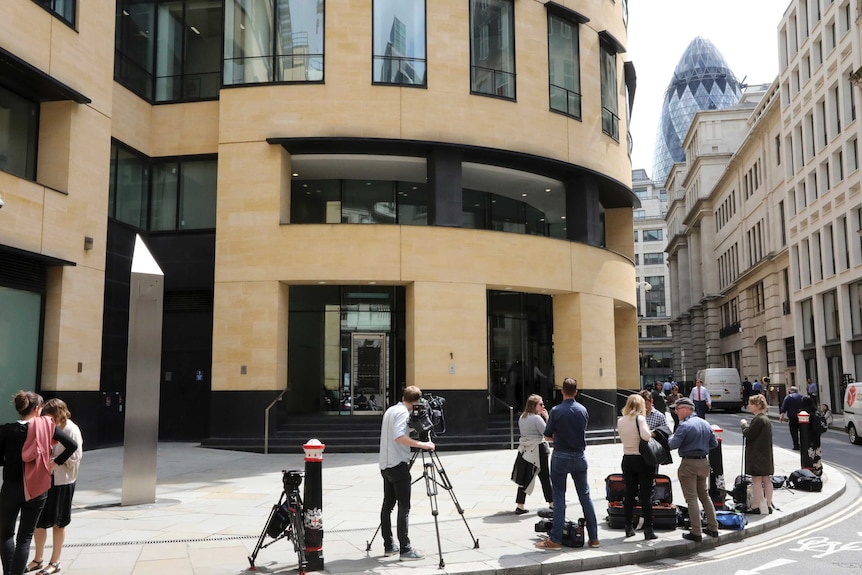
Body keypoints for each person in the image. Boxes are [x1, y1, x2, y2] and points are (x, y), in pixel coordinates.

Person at [0, 392, 77, 575]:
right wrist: (54, 463)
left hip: (11, 486)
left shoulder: (6, 430)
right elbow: (72, 445)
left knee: (5, 534)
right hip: (37, 488)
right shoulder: (47, 426)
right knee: (25, 537)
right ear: (36, 409)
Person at [533, 378, 599, 550]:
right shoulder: (583, 410)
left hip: (561, 455)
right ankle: (594, 538)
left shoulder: (556, 410)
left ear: (562, 391)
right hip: (579, 456)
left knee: (559, 497)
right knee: (585, 496)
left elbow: (547, 435)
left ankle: (555, 540)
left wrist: (558, 434)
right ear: (576, 392)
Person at [378, 386, 435, 560]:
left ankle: (389, 546)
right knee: (404, 507)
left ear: (403, 397)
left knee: (388, 506)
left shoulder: (391, 410)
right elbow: (398, 437)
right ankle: (405, 549)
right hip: (397, 464)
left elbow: (398, 432)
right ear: (416, 402)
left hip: (385, 465)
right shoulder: (403, 413)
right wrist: (423, 444)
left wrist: (414, 429)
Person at [28, 399, 83, 575]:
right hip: (45, 480)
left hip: (63, 482)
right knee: (40, 522)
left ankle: (55, 561)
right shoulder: (48, 427)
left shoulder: (71, 429)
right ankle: (37, 559)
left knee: (59, 522)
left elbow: (76, 455)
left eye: (49, 415)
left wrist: (55, 463)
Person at [667, 397, 719, 543]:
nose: (676, 412)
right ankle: (713, 528)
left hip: (689, 464)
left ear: (686, 409)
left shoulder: (684, 426)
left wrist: (670, 437)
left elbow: (672, 444)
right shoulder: (705, 423)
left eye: (677, 409)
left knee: (691, 498)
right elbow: (714, 444)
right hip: (704, 462)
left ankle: (696, 532)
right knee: (704, 496)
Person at [617, 395, 658, 541]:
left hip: (627, 459)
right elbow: (646, 437)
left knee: (629, 494)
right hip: (642, 460)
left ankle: (628, 527)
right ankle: (648, 529)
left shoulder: (620, 420)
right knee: (646, 495)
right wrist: (653, 433)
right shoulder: (639, 419)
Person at [513, 395, 553, 514]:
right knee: (545, 477)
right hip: (538, 448)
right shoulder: (537, 418)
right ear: (533, 406)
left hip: (525, 449)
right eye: (540, 404)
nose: (543, 406)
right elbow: (547, 433)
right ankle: (552, 503)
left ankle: (520, 505)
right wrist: (547, 417)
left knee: (525, 477)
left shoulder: (522, 417)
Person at [740, 394, 774, 514]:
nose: (749, 406)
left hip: (757, 455)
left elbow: (748, 434)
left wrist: (744, 424)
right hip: (765, 454)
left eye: (751, 404)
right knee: (766, 479)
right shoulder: (765, 419)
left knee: (756, 480)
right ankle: (768, 505)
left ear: (758, 405)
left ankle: (756, 506)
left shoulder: (759, 419)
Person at [779, 386, 804, 450]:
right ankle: (803, 444)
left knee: (793, 431)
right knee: (802, 431)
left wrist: (782, 415)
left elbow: (784, 407)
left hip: (792, 417)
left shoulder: (788, 397)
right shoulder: (801, 397)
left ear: (790, 391)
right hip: (801, 416)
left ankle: (796, 445)